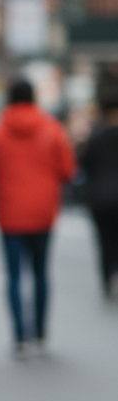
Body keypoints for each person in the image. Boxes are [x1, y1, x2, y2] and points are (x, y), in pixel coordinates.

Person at [0, 78, 76, 357]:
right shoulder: (52, 130)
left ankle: (20, 335)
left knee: (12, 275)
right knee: (41, 271)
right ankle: (41, 331)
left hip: (10, 213)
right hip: (44, 212)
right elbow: (68, 170)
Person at [80, 74, 118, 298]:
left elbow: (84, 164)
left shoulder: (96, 137)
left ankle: (107, 279)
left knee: (104, 241)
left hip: (100, 198)